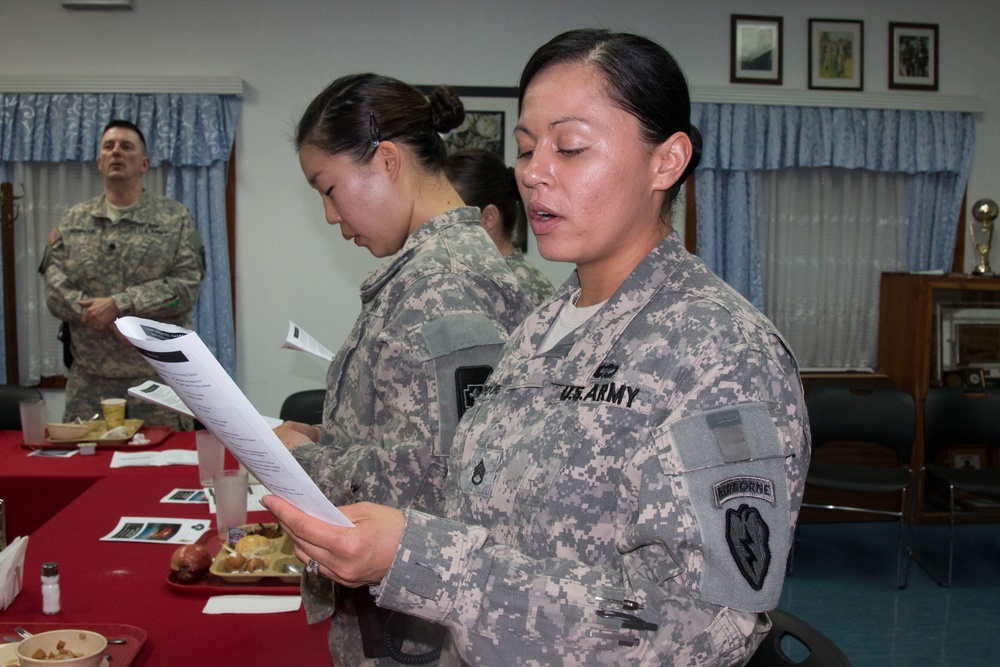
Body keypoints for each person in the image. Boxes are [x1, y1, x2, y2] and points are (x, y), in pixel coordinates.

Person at [265, 29, 809, 666]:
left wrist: (420, 560)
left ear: (667, 160)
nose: (534, 174)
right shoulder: (542, 329)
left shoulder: (722, 352)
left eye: (571, 147)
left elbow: (701, 631)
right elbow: (483, 515)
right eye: (526, 149)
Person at [275, 74, 533, 665]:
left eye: (331, 188)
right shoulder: (435, 269)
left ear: (387, 160)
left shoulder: (440, 283)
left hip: (416, 627)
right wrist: (327, 436)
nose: (331, 216)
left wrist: (296, 459)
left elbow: (436, 479)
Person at [41, 119, 203, 430]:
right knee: (82, 473)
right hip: (90, 383)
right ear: (99, 161)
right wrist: (95, 313)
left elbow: (185, 288)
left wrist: (119, 305)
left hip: (157, 379)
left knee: (162, 473)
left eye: (126, 146)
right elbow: (54, 289)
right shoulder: (74, 219)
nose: (116, 152)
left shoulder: (174, 217)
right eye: (109, 147)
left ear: (144, 163)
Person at [445, 148, 555, 306]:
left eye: (450, 214)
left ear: (488, 218)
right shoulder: (479, 278)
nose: (440, 224)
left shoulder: (517, 288)